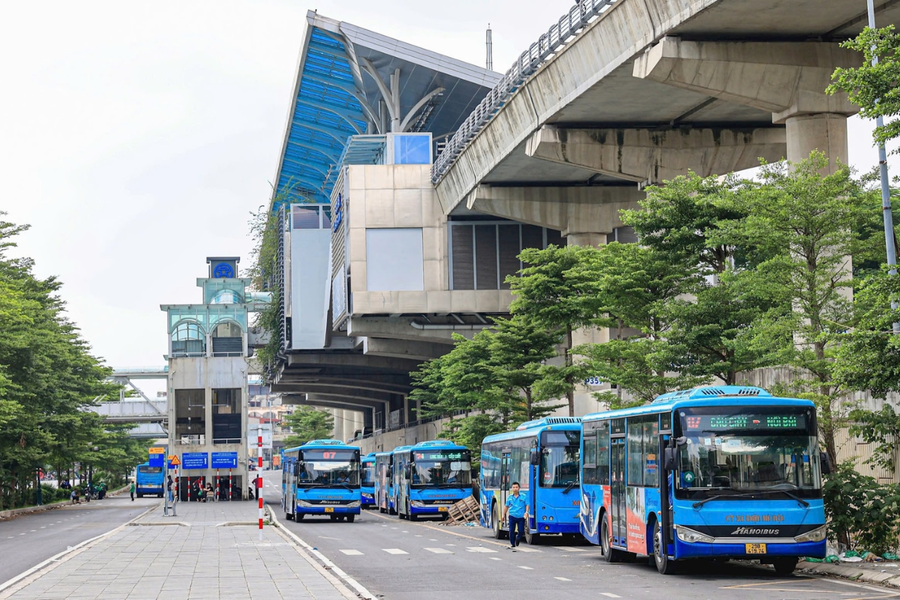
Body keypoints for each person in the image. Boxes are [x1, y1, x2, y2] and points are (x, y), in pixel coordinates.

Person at [503, 481, 529, 550]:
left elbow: (527, 505)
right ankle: (512, 543)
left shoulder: (523, 496)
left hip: (521, 517)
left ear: (519, 488)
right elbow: (506, 506)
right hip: (512, 516)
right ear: (512, 488)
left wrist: (526, 512)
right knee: (511, 531)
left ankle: (518, 539)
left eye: (516, 487)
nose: (515, 489)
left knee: (521, 531)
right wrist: (503, 515)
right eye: (514, 487)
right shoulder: (509, 497)